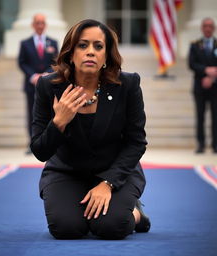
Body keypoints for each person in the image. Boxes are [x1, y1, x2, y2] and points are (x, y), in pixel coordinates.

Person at [31, 19, 150, 240]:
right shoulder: (49, 86)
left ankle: (136, 214)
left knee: (110, 227)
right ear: (70, 52)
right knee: (66, 229)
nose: (90, 52)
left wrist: (108, 183)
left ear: (107, 55)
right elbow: (40, 151)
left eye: (98, 46)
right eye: (83, 45)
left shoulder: (128, 85)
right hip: (67, 171)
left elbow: (136, 142)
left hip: (114, 171)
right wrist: (59, 121)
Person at [18, 14, 58, 154]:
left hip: (48, 85)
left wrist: (46, 74)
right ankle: (33, 143)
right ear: (33, 25)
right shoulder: (25, 43)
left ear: (45, 25)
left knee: (49, 113)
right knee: (31, 114)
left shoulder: (52, 43)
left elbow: (56, 62)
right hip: (31, 85)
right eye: (37, 23)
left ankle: (47, 142)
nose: (40, 25)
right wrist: (33, 76)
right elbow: (21, 62)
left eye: (42, 23)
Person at [188, 17, 217, 154]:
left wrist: (212, 76)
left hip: (215, 86)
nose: (208, 28)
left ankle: (215, 145)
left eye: (210, 26)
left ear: (214, 28)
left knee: (215, 116)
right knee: (200, 116)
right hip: (199, 86)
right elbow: (191, 64)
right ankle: (201, 144)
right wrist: (206, 70)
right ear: (202, 28)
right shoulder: (195, 44)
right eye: (205, 26)